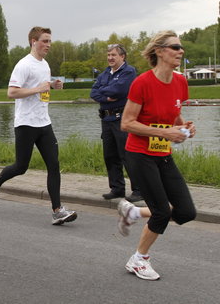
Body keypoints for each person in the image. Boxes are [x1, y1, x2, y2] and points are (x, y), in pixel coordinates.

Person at [117, 30, 197, 280]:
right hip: (139, 154)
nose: (180, 51)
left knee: (186, 212)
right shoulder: (142, 82)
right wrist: (165, 133)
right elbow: (127, 124)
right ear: (160, 51)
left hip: (162, 154)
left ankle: (134, 213)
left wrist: (185, 127)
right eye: (175, 47)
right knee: (162, 211)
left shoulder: (180, 81)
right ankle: (138, 259)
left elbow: (173, 113)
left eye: (181, 47)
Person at [0, 27, 77, 225]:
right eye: (45, 41)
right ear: (33, 41)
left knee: (54, 165)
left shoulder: (45, 65)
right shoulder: (23, 64)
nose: (49, 45)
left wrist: (52, 85)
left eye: (50, 41)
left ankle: (57, 210)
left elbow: (41, 89)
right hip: (26, 123)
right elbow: (12, 92)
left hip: (44, 122)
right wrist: (39, 88)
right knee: (21, 167)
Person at [90, 44, 142, 202]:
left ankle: (139, 190)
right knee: (110, 155)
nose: (110, 58)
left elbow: (118, 91)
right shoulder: (105, 73)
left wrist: (103, 90)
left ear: (122, 56)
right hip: (106, 119)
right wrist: (106, 96)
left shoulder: (129, 71)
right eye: (108, 55)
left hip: (122, 119)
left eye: (113, 55)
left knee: (127, 154)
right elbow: (93, 92)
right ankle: (117, 188)